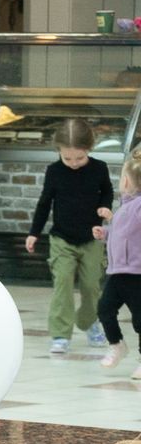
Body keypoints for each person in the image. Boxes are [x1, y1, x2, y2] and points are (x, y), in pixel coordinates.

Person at [25, 118, 112, 355]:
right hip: (61, 238)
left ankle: (90, 321)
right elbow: (44, 203)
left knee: (91, 285)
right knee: (62, 283)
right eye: (67, 158)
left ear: (89, 149)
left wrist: (105, 209)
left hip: (92, 238)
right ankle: (61, 334)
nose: (73, 163)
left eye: (79, 158)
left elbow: (107, 192)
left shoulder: (99, 168)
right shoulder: (54, 172)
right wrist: (34, 233)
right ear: (59, 152)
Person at [93, 149, 141, 378]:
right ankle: (117, 344)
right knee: (104, 309)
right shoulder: (124, 207)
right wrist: (107, 232)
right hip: (118, 272)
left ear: (128, 181)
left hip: (137, 274)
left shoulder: (139, 206)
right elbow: (123, 234)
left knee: (140, 319)